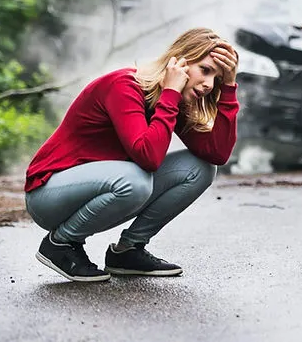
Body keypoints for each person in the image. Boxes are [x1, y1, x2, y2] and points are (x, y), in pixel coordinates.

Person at [24, 27, 239, 282]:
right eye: (205, 70)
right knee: (136, 179)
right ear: (180, 61)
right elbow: (147, 157)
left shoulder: (173, 100)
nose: (208, 84)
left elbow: (217, 153)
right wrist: (170, 94)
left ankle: (128, 251)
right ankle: (60, 244)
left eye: (217, 78)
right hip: (48, 194)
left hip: (101, 190)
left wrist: (229, 88)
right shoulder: (124, 85)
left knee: (200, 169)